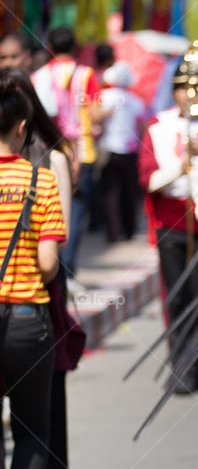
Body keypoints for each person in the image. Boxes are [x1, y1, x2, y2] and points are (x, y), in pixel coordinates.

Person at [0, 71, 66, 469]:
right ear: (22, 125)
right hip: (26, 321)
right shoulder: (40, 179)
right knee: (32, 430)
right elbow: (48, 265)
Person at [11, 70, 76, 469]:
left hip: (41, 296)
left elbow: (59, 246)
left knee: (45, 407)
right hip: (29, 293)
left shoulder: (52, 159)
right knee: (34, 417)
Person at [138, 57, 198, 392]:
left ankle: (196, 363)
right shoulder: (158, 124)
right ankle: (180, 364)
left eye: (197, 87)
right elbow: (147, 177)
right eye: (184, 87)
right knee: (176, 296)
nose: (190, 95)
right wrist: (180, 167)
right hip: (171, 222)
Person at [32, 27, 101, 280]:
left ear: (49, 45)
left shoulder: (37, 76)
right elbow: (94, 112)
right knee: (75, 211)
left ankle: (54, 272)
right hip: (82, 152)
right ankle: (67, 271)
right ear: (75, 46)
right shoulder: (86, 74)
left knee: (46, 210)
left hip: (43, 152)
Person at [98, 62, 147, 243]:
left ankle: (113, 231)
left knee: (111, 193)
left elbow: (95, 117)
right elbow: (143, 125)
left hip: (110, 149)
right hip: (131, 150)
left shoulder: (103, 96)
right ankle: (129, 229)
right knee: (129, 192)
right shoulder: (136, 100)